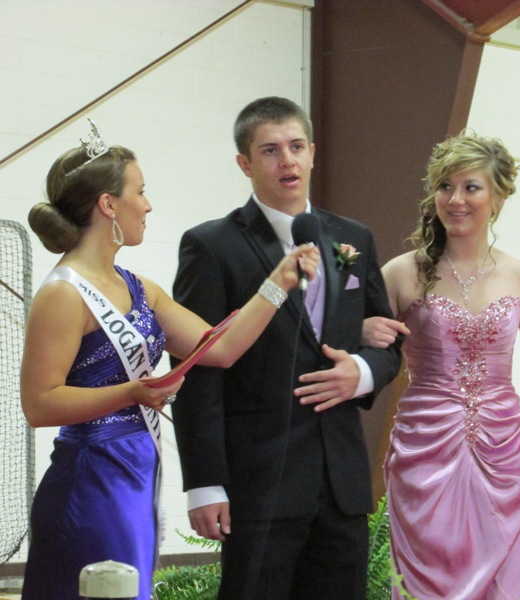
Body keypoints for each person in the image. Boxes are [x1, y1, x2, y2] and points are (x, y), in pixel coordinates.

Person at [19, 120, 319, 600]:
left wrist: (277, 283)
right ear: (108, 205)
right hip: (90, 477)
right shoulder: (63, 293)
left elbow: (219, 349)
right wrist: (133, 392)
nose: (148, 204)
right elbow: (39, 403)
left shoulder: (141, 287)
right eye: (140, 191)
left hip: (137, 471)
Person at [170, 96, 403, 600]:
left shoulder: (353, 238)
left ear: (313, 153)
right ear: (245, 163)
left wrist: (360, 372)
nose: (287, 161)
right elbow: (196, 369)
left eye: (297, 147)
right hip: (258, 480)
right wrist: (204, 482)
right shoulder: (212, 246)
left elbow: (387, 341)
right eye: (270, 150)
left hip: (339, 480)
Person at [364, 131, 520, 599]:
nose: (455, 199)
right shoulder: (400, 273)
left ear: (497, 198)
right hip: (425, 452)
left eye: (470, 187)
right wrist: (362, 331)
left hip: (507, 452)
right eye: (445, 186)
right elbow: (359, 347)